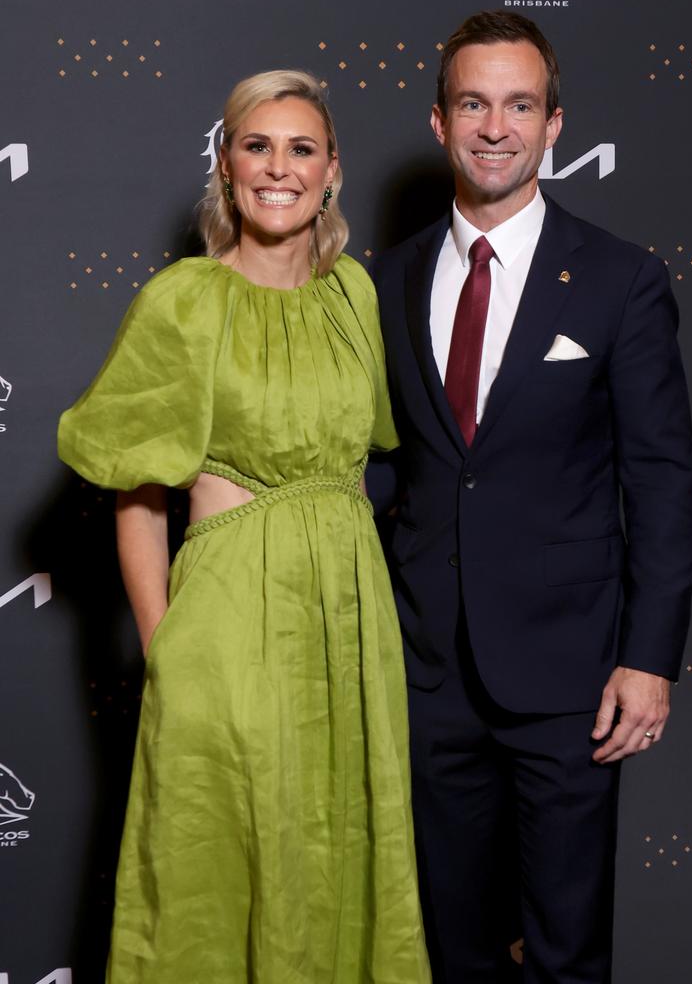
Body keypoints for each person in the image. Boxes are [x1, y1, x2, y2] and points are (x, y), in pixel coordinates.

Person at [58, 70, 431, 984]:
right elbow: (137, 496)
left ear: (332, 170)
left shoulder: (356, 298)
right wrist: (166, 645)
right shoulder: (182, 301)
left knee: (337, 851)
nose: (279, 168)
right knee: (214, 865)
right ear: (225, 168)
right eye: (256, 147)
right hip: (226, 623)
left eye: (301, 148)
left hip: (348, 626)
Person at [368, 12, 692, 983]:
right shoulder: (380, 283)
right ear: (439, 121)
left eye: (520, 104)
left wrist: (649, 658)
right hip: (425, 670)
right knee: (450, 950)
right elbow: (389, 465)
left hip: (569, 677)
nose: (495, 126)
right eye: (474, 102)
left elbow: (662, 478)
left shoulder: (620, 280)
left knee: (562, 951)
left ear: (555, 125)